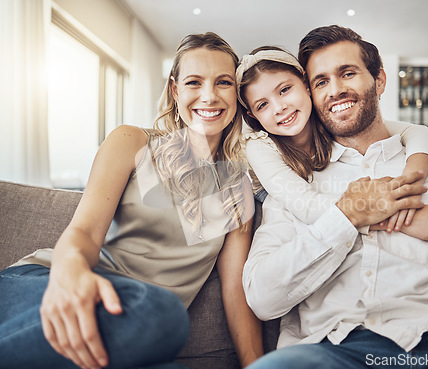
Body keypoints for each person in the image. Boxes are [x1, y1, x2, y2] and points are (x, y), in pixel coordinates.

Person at [0, 32, 263, 369]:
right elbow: (84, 232)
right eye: (194, 82)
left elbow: (235, 291)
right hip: (50, 284)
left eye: (223, 82)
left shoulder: (238, 189)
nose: (209, 96)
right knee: (163, 314)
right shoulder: (133, 142)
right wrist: (69, 277)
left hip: (136, 326)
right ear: (175, 90)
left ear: (237, 96)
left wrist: (255, 364)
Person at [243, 25, 428, 369]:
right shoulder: (294, 188)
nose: (335, 90)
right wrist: (346, 217)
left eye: (347, 73)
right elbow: (263, 299)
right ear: (311, 93)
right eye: (321, 82)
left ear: (379, 80)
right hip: (330, 348)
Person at [236, 46, 428, 239]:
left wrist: (410, 185)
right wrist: (402, 221)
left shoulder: (331, 119)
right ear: (252, 115)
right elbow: (306, 205)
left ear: (306, 84)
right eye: (262, 105)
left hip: (331, 202)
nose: (279, 107)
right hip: (288, 205)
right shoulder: (259, 145)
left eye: (284, 90)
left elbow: (419, 133)